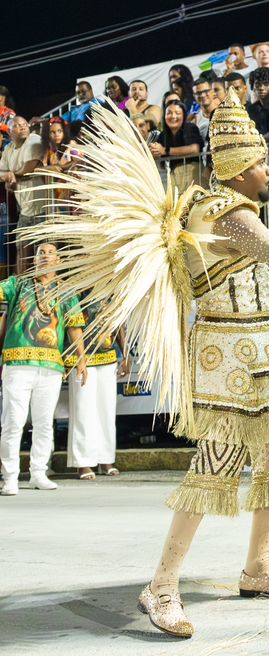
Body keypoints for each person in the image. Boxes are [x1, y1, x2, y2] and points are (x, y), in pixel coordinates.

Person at [23, 93, 269, 638]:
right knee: (214, 468)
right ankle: (161, 585)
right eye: (257, 161)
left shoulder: (225, 196)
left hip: (261, 350)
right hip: (226, 356)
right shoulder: (223, 216)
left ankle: (258, 568)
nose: (266, 169)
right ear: (236, 171)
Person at [0, 243, 87, 495]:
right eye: (40, 253)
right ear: (34, 259)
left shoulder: (66, 291)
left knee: (44, 423)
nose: (46, 256)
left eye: (50, 253)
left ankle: (38, 473)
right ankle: (10, 477)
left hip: (51, 365)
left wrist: (81, 359)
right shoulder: (18, 284)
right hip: (17, 364)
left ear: (58, 259)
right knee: (13, 421)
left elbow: (74, 327)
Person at [66, 301, 129, 480]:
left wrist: (125, 353)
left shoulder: (111, 288)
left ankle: (106, 458)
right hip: (81, 355)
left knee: (106, 409)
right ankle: (83, 462)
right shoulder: (76, 289)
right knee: (83, 409)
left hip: (107, 355)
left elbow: (118, 323)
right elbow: (72, 323)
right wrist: (80, 359)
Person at [0, 116, 47, 274]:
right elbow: (1, 173)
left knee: (45, 256)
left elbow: (30, 167)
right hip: (25, 212)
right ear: (9, 132)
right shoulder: (8, 150)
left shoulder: (34, 139)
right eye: (17, 126)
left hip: (44, 212)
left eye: (24, 124)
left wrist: (12, 175)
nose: (22, 127)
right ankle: (21, 292)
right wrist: (7, 178)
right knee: (22, 254)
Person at [150, 101, 204, 194]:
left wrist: (165, 151)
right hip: (172, 175)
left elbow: (194, 149)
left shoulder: (190, 127)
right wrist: (154, 150)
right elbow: (158, 152)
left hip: (192, 172)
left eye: (177, 113)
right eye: (169, 113)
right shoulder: (163, 134)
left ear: (183, 115)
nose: (173, 116)